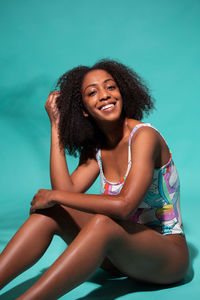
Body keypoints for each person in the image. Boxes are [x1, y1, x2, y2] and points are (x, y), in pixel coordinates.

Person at [0, 59, 189, 300]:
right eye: (92, 92)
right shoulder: (97, 148)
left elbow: (125, 205)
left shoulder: (144, 137)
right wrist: (56, 125)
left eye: (110, 87)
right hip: (123, 255)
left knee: (102, 223)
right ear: (83, 109)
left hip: (166, 258)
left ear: (122, 92)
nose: (104, 95)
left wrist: (54, 196)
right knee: (52, 212)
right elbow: (65, 195)